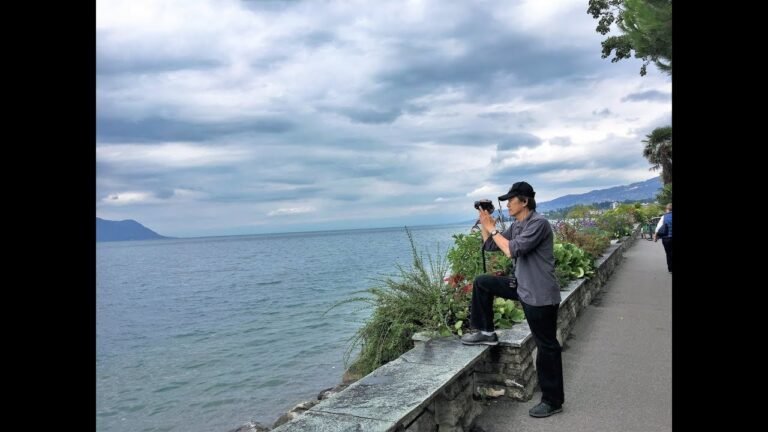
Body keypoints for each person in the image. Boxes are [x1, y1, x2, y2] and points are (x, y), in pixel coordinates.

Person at [460, 181, 564, 418]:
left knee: (547, 347)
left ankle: (553, 400)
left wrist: (493, 229)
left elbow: (510, 250)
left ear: (524, 201)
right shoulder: (518, 225)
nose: (507, 204)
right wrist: (486, 223)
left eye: (510, 200)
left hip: (540, 295)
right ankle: (486, 331)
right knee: (483, 282)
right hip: (522, 287)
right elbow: (490, 246)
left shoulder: (538, 223)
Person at [654, 203, 672, 272]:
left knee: (668, 253)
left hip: (666, 238)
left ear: (667, 209)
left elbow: (658, 227)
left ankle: (670, 269)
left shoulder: (664, 217)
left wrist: (655, 237)